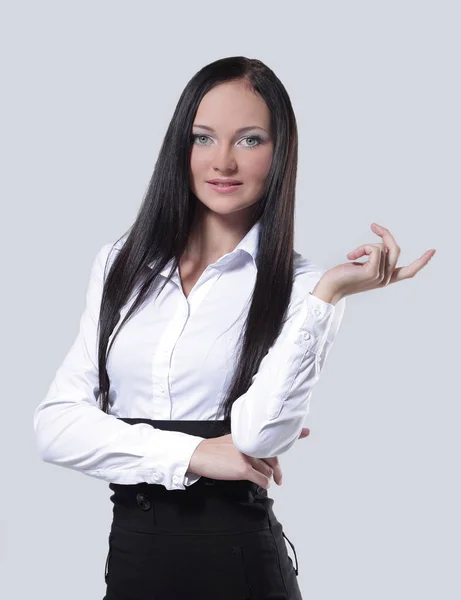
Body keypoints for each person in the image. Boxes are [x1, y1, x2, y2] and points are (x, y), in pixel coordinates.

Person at [33, 56, 435, 600]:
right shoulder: (118, 266)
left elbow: (259, 437)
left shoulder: (301, 288)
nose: (222, 161)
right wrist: (197, 454)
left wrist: (330, 294)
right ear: (181, 146)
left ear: (280, 152)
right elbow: (55, 427)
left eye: (249, 140)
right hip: (131, 561)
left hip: (240, 567)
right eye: (203, 138)